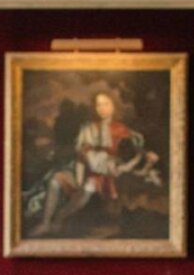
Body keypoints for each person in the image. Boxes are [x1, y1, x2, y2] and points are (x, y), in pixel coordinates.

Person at [34, 90, 162, 236]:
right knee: (55, 180)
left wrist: (147, 154)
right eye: (98, 104)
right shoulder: (88, 127)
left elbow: (135, 147)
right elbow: (82, 152)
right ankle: (45, 223)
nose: (102, 108)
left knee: (86, 189)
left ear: (114, 106)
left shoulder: (120, 128)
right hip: (83, 168)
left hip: (106, 173)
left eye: (106, 104)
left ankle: (59, 220)